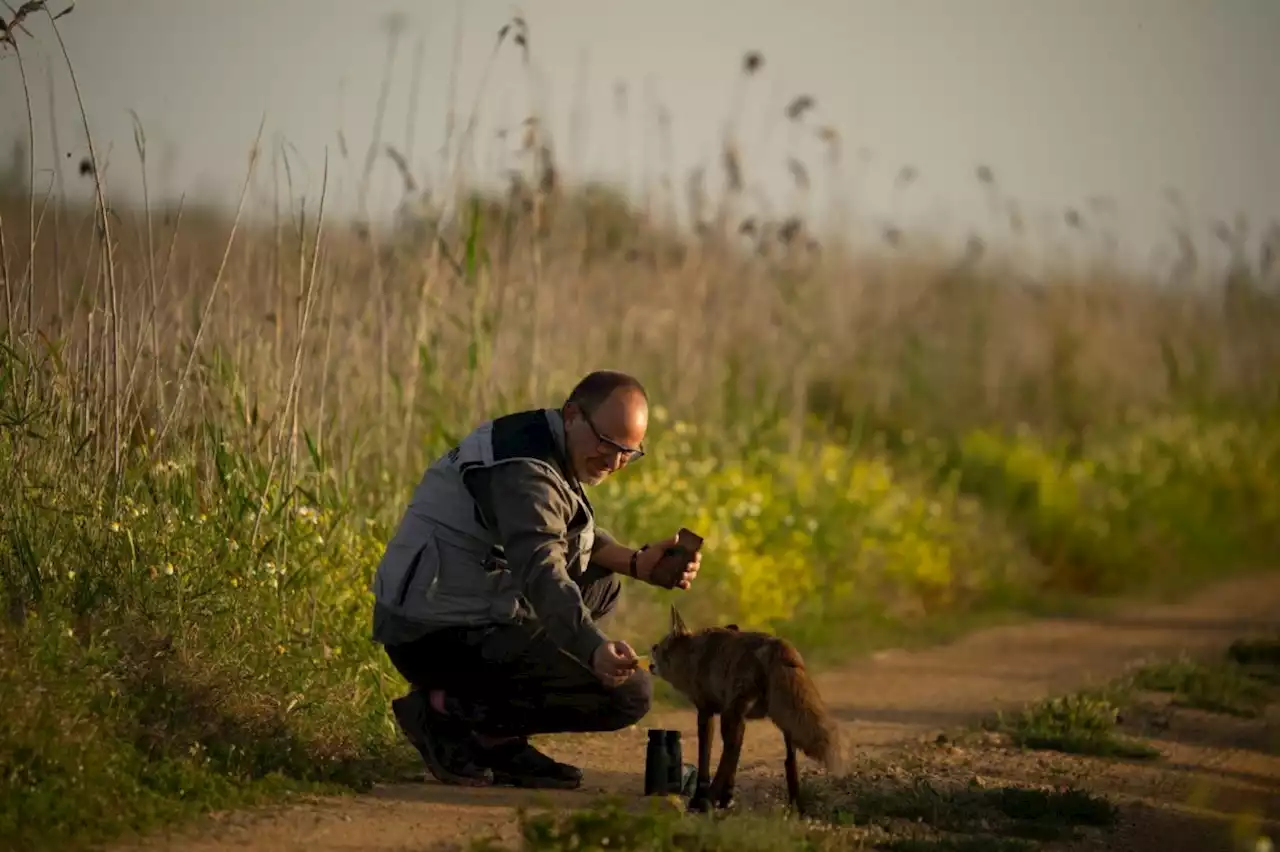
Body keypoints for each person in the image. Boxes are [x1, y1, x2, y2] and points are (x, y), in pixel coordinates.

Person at [369, 370, 701, 790]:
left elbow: (564, 536)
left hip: (458, 609)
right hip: (429, 634)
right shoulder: (523, 468)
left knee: (603, 585)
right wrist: (593, 649)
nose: (615, 462)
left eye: (628, 453)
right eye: (607, 444)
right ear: (572, 415)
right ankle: (442, 711)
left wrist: (638, 563)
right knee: (627, 695)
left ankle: (494, 737)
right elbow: (542, 569)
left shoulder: (545, 442)